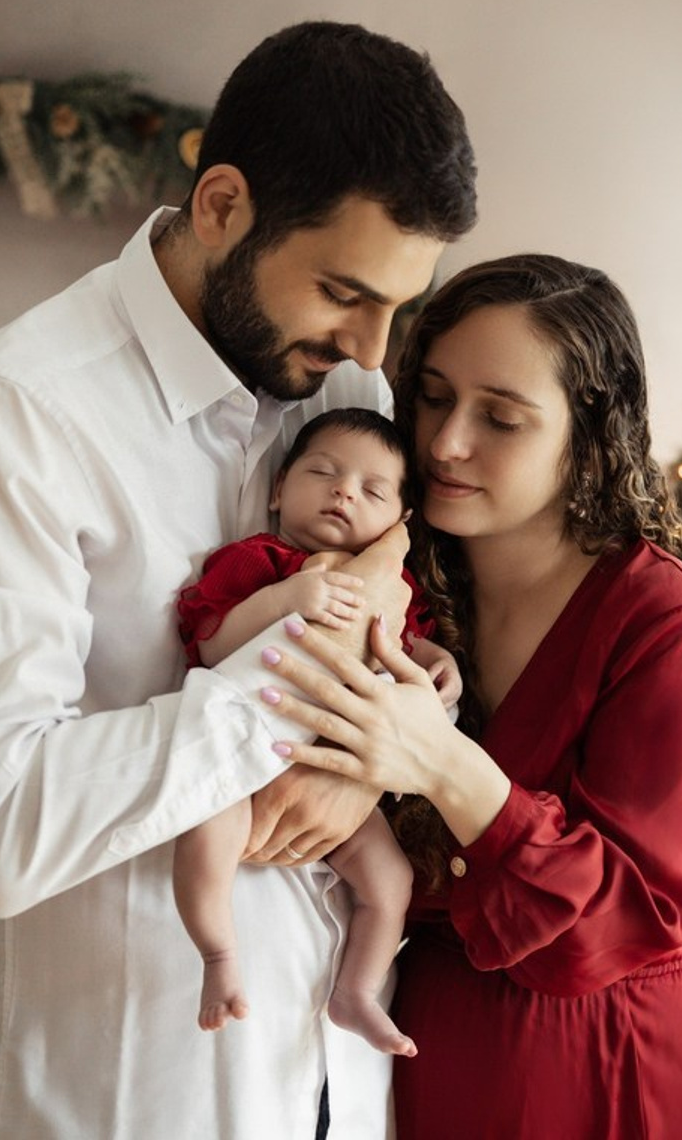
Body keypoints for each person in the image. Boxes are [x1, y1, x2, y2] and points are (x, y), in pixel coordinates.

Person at [0, 21, 476, 1140]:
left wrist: (375, 746)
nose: (372, 352)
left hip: (335, 1080)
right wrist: (293, 695)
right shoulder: (7, 412)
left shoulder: (340, 400)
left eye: (396, 304)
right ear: (221, 205)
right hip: (127, 1097)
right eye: (343, 288)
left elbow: (399, 628)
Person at [253, 254, 682, 1139]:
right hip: (432, 1057)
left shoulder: (664, 623)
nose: (447, 443)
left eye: (502, 418)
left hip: (615, 1067)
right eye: (435, 398)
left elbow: (632, 919)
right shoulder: (402, 569)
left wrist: (442, 762)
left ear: (589, 434)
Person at [173, 408, 460, 1055]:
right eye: (324, 472)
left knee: (390, 879)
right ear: (278, 489)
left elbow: (403, 649)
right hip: (248, 765)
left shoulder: (393, 585)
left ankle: (356, 990)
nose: (343, 492)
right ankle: (218, 953)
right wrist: (287, 601)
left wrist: (439, 666)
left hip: (340, 772)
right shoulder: (261, 562)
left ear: (398, 522)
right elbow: (211, 644)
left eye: (372, 490)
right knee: (206, 821)